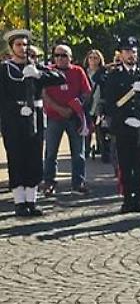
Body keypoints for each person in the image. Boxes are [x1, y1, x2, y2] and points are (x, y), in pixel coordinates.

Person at [0, 30, 66, 216]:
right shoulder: (5, 69)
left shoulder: (36, 67)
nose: (23, 48)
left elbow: (60, 77)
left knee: (34, 158)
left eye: (25, 44)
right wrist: (15, 108)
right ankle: (19, 202)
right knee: (17, 157)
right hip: (14, 119)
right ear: (12, 48)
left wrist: (38, 75)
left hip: (35, 117)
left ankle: (32, 199)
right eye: (19, 45)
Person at [101, 36, 140, 213]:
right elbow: (110, 104)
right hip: (123, 125)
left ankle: (139, 198)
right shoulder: (114, 75)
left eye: (133, 52)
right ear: (121, 54)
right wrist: (124, 118)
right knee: (125, 164)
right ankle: (127, 198)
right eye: (127, 51)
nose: (131, 55)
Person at [41, 43, 93, 196]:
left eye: (63, 55)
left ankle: (78, 182)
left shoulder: (78, 72)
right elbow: (43, 93)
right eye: (57, 55)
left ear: (70, 57)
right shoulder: (48, 72)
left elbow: (86, 93)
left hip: (74, 117)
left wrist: (72, 108)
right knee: (51, 152)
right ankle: (49, 182)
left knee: (78, 152)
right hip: (54, 117)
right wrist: (59, 108)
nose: (60, 58)